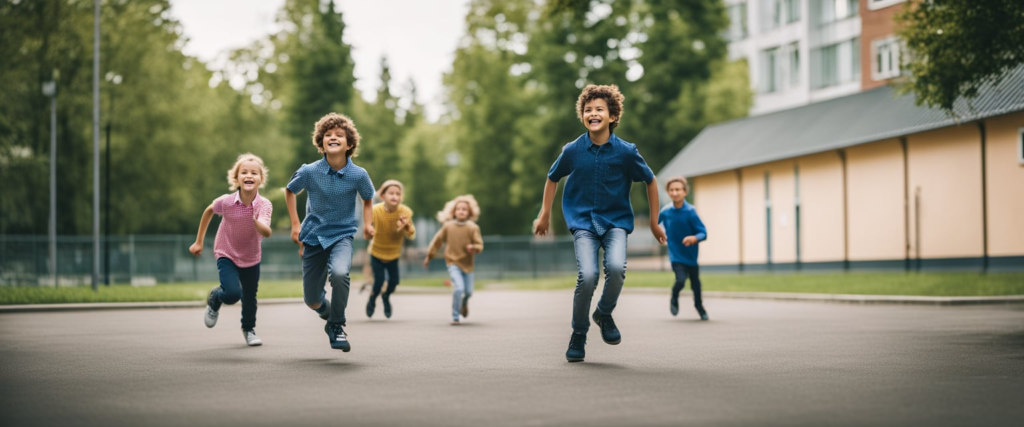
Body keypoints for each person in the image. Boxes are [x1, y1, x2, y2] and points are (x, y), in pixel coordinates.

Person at [533, 84, 667, 362]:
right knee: (589, 276)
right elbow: (552, 177)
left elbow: (651, 180)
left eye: (599, 109)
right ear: (582, 115)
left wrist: (654, 223)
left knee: (616, 268)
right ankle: (579, 333)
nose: (592, 113)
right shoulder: (572, 150)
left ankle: (603, 313)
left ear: (613, 116)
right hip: (582, 223)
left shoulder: (626, 152)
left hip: (616, 222)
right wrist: (544, 213)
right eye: (588, 109)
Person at [285, 113, 375, 352]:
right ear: (320, 142)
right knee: (312, 300)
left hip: (342, 234)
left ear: (349, 144)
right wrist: (295, 224)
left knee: (339, 272)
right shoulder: (309, 171)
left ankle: (336, 324)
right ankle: (326, 312)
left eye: (339, 135)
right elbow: (290, 191)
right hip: (313, 236)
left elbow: (368, 199)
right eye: (328, 135)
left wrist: (368, 224)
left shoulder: (359, 175)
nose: (332, 138)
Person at [189, 153, 273, 347]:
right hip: (226, 252)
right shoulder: (226, 202)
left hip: (251, 256)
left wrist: (256, 221)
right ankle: (215, 297)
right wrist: (199, 241)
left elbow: (266, 231)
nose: (249, 175)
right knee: (233, 294)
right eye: (244, 172)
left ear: (261, 179)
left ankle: (249, 329)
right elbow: (209, 211)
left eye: (254, 173)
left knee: (250, 296)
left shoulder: (264, 204)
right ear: (236, 178)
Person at [424, 195, 483, 325]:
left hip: (468, 265)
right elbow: (437, 242)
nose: (461, 211)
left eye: (464, 209)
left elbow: (480, 245)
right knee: (458, 288)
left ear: (469, 212)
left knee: (468, 292)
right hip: (452, 262)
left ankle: (464, 303)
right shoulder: (448, 227)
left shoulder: (473, 228)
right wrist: (429, 256)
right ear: (454, 211)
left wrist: (474, 247)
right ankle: (455, 316)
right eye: (458, 209)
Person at [659, 177, 708, 320]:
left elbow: (703, 233)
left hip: (691, 255)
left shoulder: (691, 211)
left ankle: (700, 307)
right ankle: (674, 296)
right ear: (668, 192)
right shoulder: (666, 212)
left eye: (678, 189)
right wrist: (660, 235)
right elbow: (656, 225)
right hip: (675, 254)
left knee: (695, 284)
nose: (675, 193)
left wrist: (694, 238)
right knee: (680, 280)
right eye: (671, 190)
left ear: (685, 191)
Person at [366, 179, 415, 319]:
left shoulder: (405, 211)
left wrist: (406, 227)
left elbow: (411, 234)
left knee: (394, 282)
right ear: (382, 196)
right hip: (376, 252)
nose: (395, 196)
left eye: (398, 194)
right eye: (391, 193)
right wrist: (369, 230)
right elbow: (368, 226)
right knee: (379, 281)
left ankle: (386, 297)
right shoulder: (375, 210)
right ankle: (372, 298)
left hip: (393, 254)